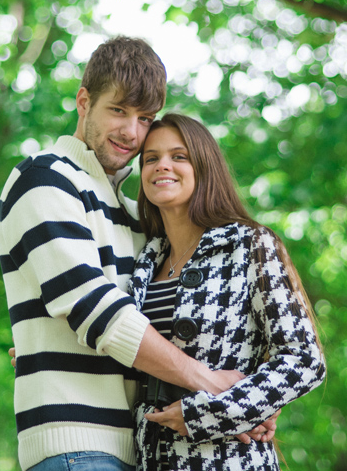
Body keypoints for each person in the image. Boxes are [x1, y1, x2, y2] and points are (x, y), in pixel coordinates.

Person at [0, 38, 265, 471]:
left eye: (145, 118)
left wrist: (253, 401)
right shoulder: (44, 179)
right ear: (84, 101)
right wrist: (213, 385)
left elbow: (177, 321)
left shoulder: (139, 214)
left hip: (145, 449)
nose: (132, 133)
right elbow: (96, 312)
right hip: (76, 445)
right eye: (118, 110)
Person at [130, 113, 326, 471]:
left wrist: (219, 413)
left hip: (231, 460)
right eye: (150, 158)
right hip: (150, 459)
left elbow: (304, 360)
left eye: (179, 156)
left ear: (204, 167)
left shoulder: (251, 244)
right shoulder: (144, 259)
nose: (162, 166)